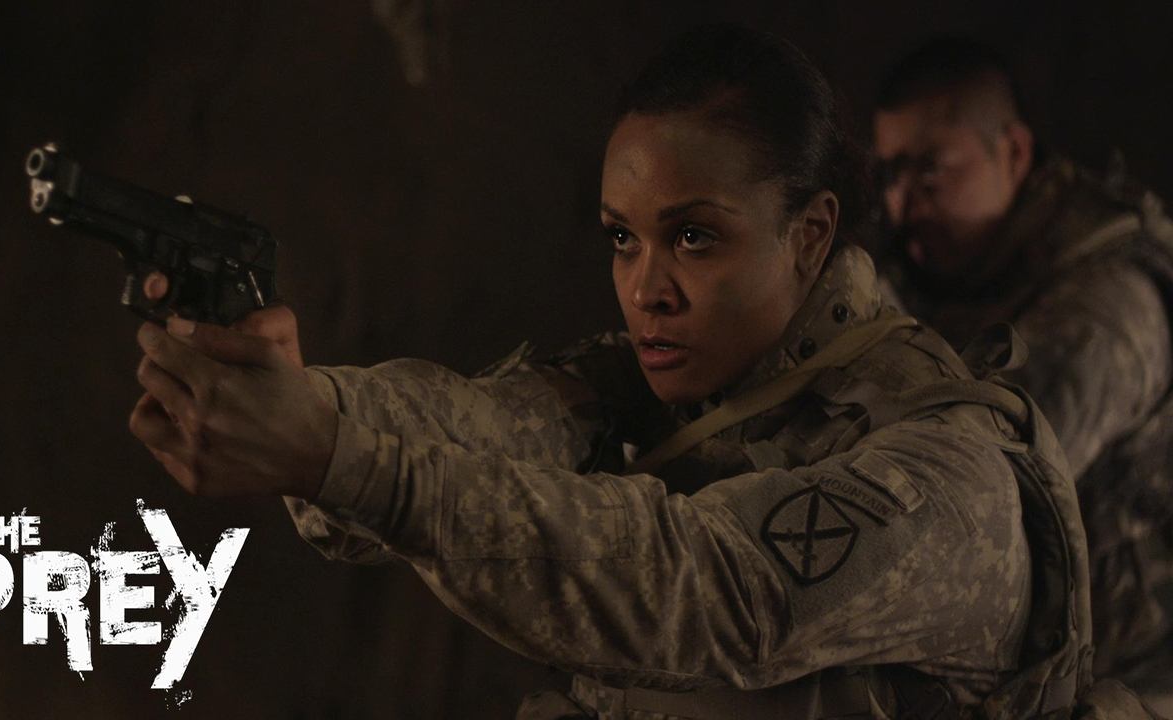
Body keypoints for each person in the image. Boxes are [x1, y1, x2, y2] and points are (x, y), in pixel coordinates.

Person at [129, 27, 1098, 718]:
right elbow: (477, 423)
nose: (645, 290)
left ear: (809, 237)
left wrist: (332, 456)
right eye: (622, 239)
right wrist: (301, 401)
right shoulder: (684, 382)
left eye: (693, 238)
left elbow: (700, 590)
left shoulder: (946, 473)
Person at [872, 37, 1173, 700]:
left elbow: (981, 490)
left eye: (930, 170)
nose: (900, 204)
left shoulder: (1105, 307)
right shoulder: (941, 268)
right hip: (1041, 670)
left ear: (1013, 152)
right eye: (889, 174)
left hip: (1135, 680)